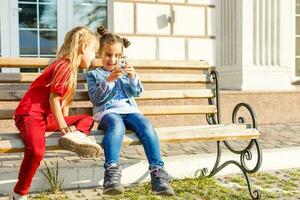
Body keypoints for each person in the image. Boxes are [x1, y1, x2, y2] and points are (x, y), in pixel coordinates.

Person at [9, 26, 102, 200]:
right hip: (31, 114)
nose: (94, 57)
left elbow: (62, 102)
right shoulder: (64, 66)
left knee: (87, 119)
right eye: (94, 52)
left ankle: (74, 138)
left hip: (46, 117)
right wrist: (63, 126)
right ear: (83, 48)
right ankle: (18, 194)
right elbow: (53, 99)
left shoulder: (71, 69)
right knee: (37, 150)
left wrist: (66, 124)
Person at [86, 26, 175, 196]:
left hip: (130, 111)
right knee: (116, 126)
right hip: (107, 112)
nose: (112, 59)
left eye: (117, 56)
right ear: (100, 54)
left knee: (146, 125)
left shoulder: (126, 73)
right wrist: (110, 80)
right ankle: (112, 173)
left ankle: (158, 174)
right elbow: (96, 99)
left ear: (122, 56)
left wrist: (133, 77)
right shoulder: (94, 74)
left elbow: (137, 92)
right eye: (108, 55)